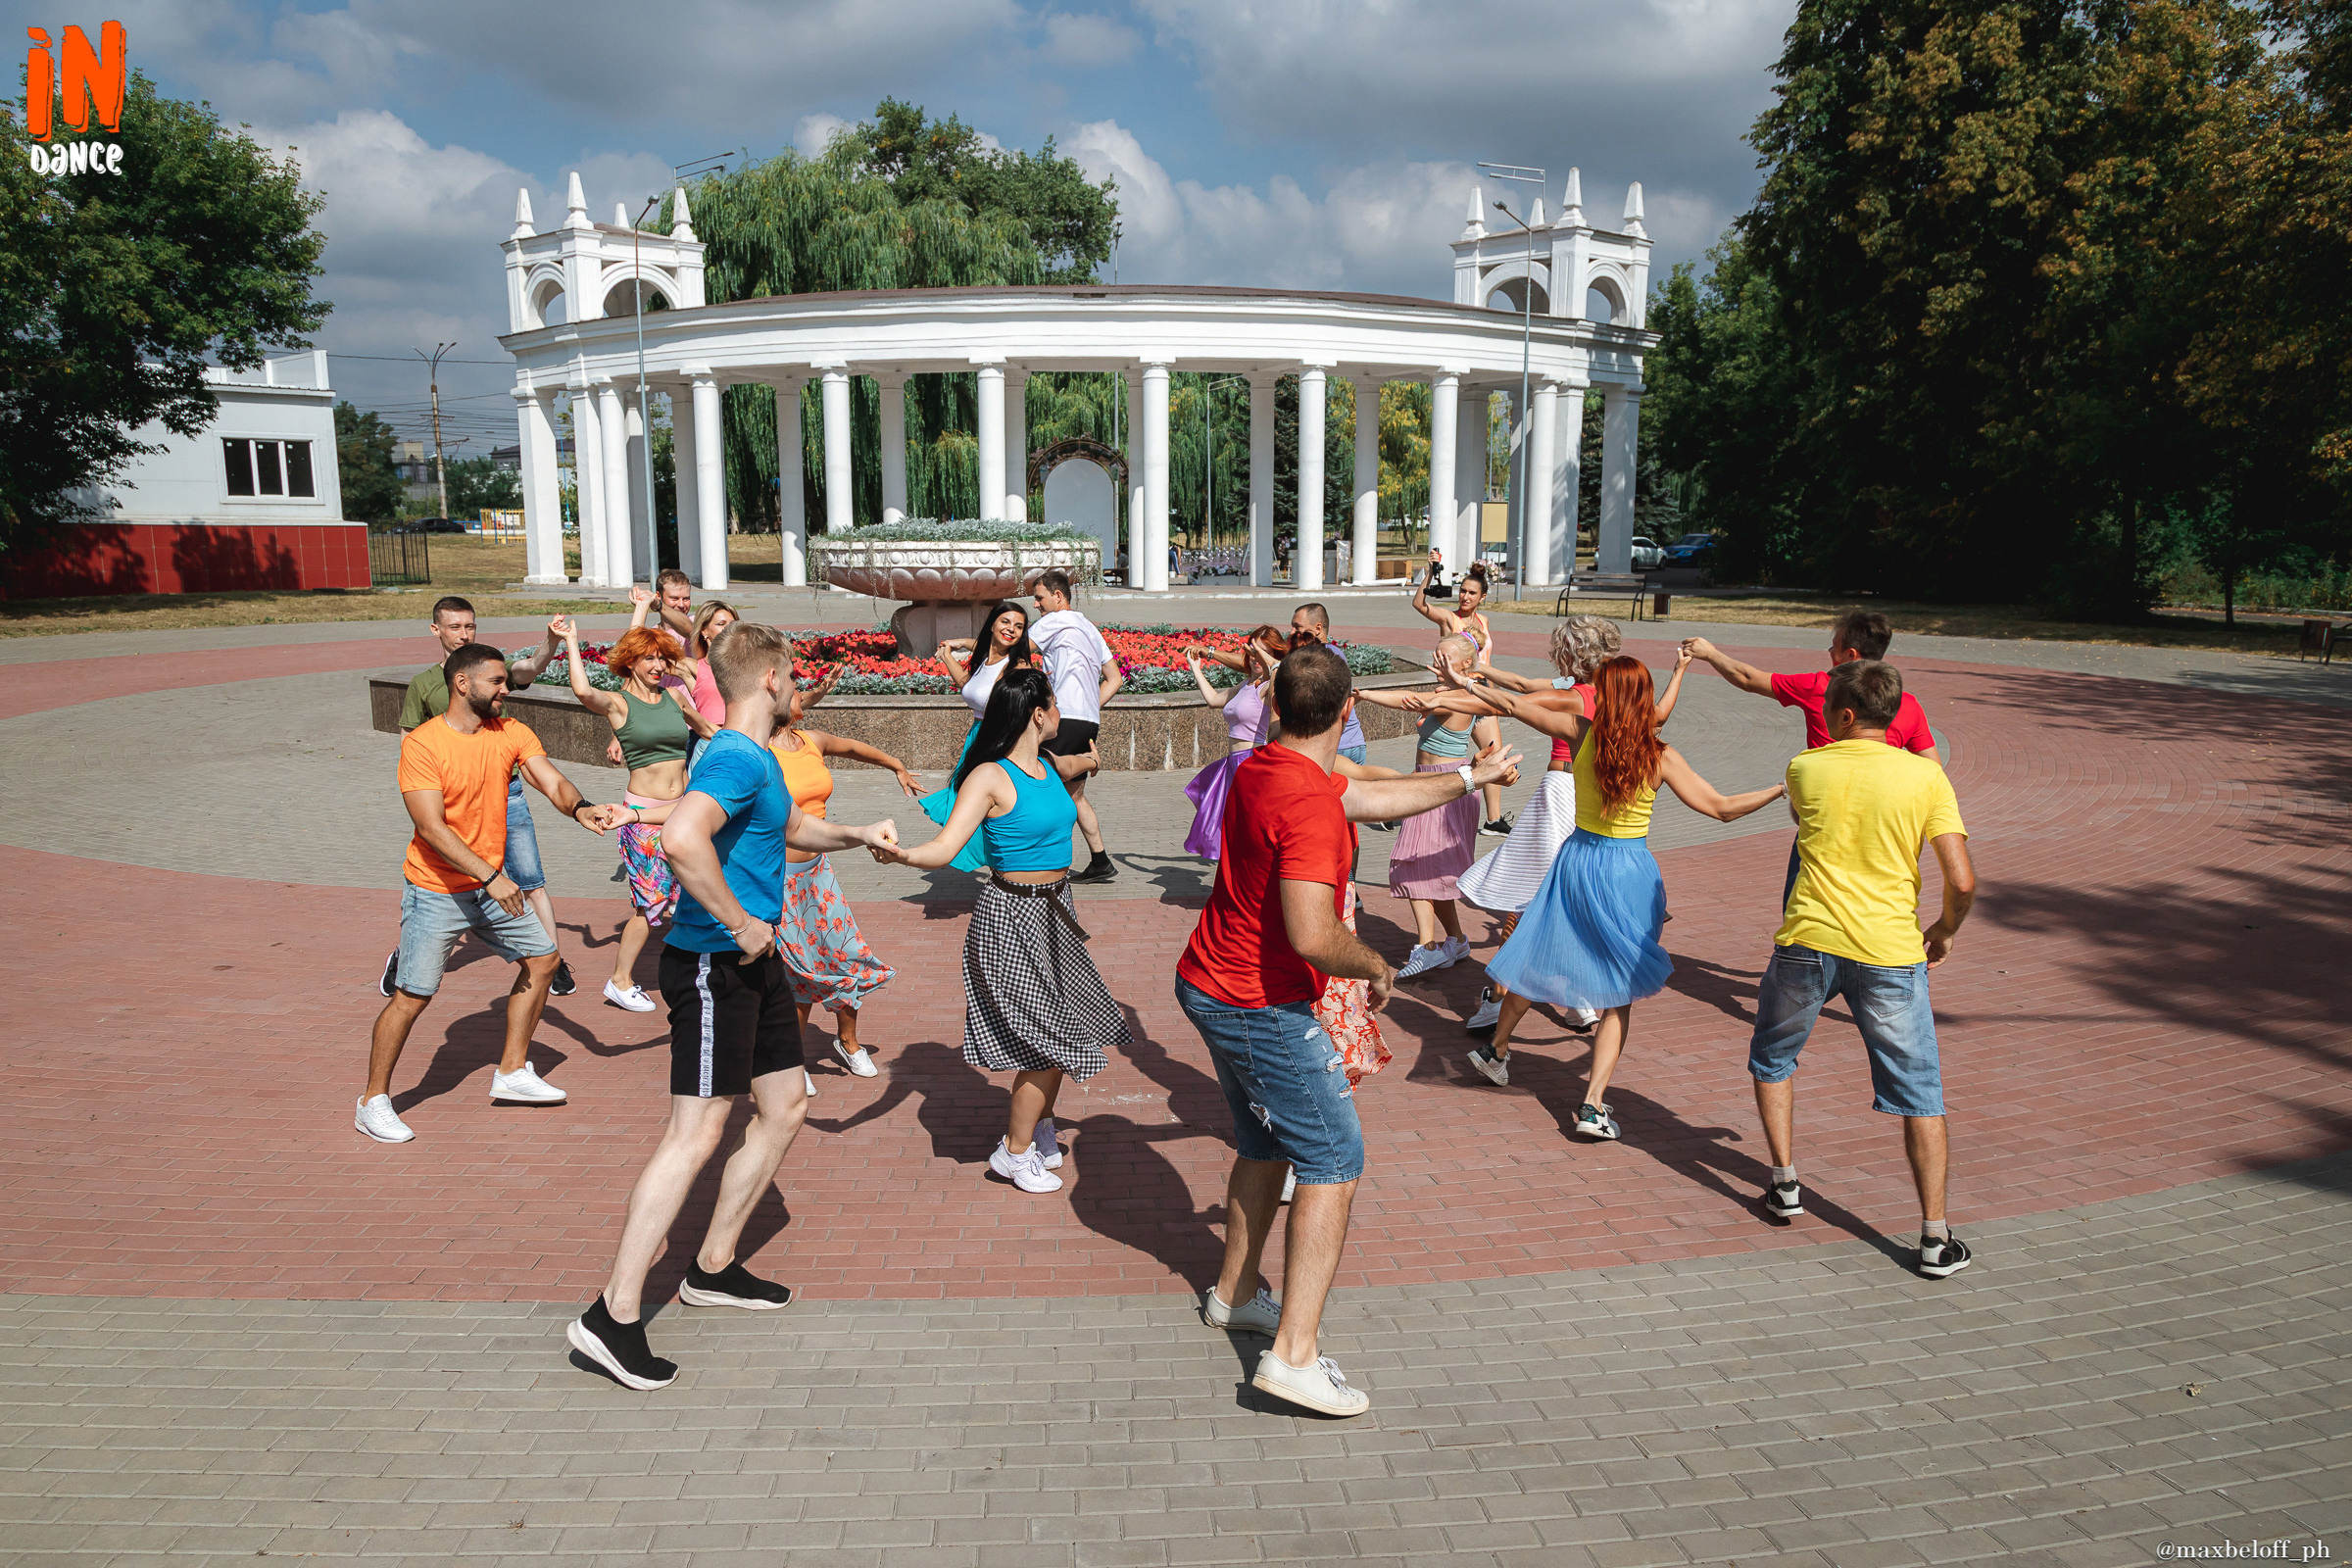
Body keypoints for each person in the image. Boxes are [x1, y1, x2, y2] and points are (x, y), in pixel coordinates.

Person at [1176, 645, 1521, 1417]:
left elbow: (1375, 798)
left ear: (1274, 707)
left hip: (1207, 983)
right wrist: (1375, 964)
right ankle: (1293, 1357)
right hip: (1258, 1003)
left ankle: (1235, 1295)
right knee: (1334, 1158)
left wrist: (1473, 778)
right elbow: (1310, 933)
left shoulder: (1267, 765)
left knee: (1265, 1142)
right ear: (1348, 709)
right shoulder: (1307, 803)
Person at [566, 622, 901, 1392]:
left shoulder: (751, 758)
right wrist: (743, 922)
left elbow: (787, 829)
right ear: (776, 679)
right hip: (717, 962)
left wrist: (854, 832)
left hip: (755, 964)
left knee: (784, 1106)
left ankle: (712, 1267)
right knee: (698, 1130)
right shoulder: (737, 755)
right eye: (795, 675)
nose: (797, 685)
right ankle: (611, 1318)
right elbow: (685, 837)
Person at [1452, 657, 1785, 1141]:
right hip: (1627, 872)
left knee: (1542, 952)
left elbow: (1511, 703)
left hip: (1577, 859)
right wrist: (1779, 790)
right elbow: (1722, 809)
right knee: (1617, 993)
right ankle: (1591, 1107)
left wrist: (1467, 681)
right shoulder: (1660, 756)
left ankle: (1496, 1050)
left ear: (1606, 696)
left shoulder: (1581, 732)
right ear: (1645, 700)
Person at [1746, 660, 1978, 1278]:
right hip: (1892, 951)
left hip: (1808, 941)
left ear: (1844, 715)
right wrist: (1945, 930)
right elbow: (1962, 878)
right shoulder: (1928, 779)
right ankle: (1934, 1237)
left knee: (1773, 1059)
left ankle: (1785, 1182)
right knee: (1920, 1095)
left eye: (1825, 710)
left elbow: (1809, 823)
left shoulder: (1804, 769)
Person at [360, 642, 622, 1145]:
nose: (507, 689)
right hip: (438, 889)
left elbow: (551, 781)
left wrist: (581, 807)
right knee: (413, 996)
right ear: (463, 684)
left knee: (543, 960)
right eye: (497, 682)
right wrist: (491, 876)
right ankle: (372, 1100)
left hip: (489, 887)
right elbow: (431, 827)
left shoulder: (511, 733)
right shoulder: (424, 745)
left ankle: (512, 1072)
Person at [877, 667, 1119, 1196]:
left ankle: (1039, 1128)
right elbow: (944, 847)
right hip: (1010, 919)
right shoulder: (990, 775)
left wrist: (1093, 761)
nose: (1062, 713)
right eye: (1055, 705)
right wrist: (901, 857)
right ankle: (1012, 1152)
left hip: (1057, 913)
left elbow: (1079, 764)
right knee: (1048, 1042)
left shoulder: (1050, 766)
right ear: (1038, 713)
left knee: (1066, 1029)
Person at [1446, 619, 1690, 1031]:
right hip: (1595, 803)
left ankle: (1500, 996)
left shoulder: (1575, 695)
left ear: (1572, 652)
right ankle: (1576, 998)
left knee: (1532, 899)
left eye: (1558, 648)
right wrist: (1680, 670)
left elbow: (1513, 700)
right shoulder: (1614, 693)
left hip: (1562, 794)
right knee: (1566, 901)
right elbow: (1659, 715)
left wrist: (1463, 685)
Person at [386, 598, 577, 999]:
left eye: (469, 626)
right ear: (436, 630)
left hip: (507, 793)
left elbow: (530, 668)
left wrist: (550, 642)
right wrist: (422, 800)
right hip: (451, 798)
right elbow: (410, 742)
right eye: (455, 627)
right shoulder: (424, 684)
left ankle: (552, 963)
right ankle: (406, 958)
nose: (464, 633)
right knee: (436, 896)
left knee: (530, 881)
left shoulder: (492, 669)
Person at [1680, 612, 1938, 906]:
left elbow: (1748, 678)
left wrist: (1711, 654)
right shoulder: (1909, 703)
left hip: (1821, 832)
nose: (1829, 652)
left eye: (1834, 646)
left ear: (1849, 654)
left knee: (1801, 910)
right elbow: (1932, 770)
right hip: (1880, 833)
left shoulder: (1821, 687)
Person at [557, 618, 717, 1013]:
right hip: (641, 817)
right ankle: (620, 981)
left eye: (663, 658)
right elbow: (581, 690)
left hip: (684, 811)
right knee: (651, 905)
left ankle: (701, 968)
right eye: (649, 658)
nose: (658, 666)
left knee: (696, 892)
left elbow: (711, 730)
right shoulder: (618, 704)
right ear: (630, 662)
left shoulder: (674, 698)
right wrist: (572, 640)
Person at [768, 686, 920, 1079]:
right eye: (794, 687)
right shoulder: (757, 752)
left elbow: (852, 747)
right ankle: (790, 1063)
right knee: (801, 973)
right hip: (776, 878)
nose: (800, 694)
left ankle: (848, 1042)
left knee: (845, 957)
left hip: (818, 875)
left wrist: (895, 764)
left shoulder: (810, 741)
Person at [1351, 634, 1500, 977]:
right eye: (1436, 655)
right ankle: (1457, 940)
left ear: (1465, 664)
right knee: (1432, 870)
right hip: (1430, 782)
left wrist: (1366, 693)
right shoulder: (1449, 694)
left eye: (1445, 657)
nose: (1436, 662)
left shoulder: (1460, 696)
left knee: (1415, 863)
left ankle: (1427, 947)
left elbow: (1410, 700)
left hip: (1444, 787)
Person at [920, 600, 1038, 875]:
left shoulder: (1017, 666)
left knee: (987, 807)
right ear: (993, 623)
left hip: (999, 742)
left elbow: (1031, 705)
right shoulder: (987, 658)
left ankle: (1010, 866)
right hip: (977, 738)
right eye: (1006, 622)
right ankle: (1002, 866)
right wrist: (949, 656)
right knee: (973, 805)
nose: (1011, 630)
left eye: (1019, 627)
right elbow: (970, 687)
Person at [1028, 570, 1123, 883]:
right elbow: (1115, 678)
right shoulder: (1089, 627)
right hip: (1087, 721)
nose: (1036, 605)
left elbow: (1017, 647)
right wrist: (1089, 706)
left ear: (1058, 596)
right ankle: (1100, 861)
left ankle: (1043, 861)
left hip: (1063, 719)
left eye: (1040, 598)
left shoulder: (1053, 621)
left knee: (1044, 787)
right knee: (1074, 794)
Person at [1412, 551, 1507, 834]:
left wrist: (1494, 688)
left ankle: (1494, 820)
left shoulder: (1484, 622)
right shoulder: (1448, 619)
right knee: (1435, 757)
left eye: (1471, 593)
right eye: (1463, 591)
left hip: (1481, 694)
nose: (1465, 597)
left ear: (1482, 597)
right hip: (1455, 698)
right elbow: (1419, 603)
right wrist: (1429, 571)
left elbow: (1486, 660)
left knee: (1494, 754)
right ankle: (1404, 807)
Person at [1178, 626, 1289, 860]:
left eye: (1263, 652)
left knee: (1245, 832)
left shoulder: (1269, 687)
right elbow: (1214, 700)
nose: (1255, 658)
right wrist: (1196, 669)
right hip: (1233, 765)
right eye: (1252, 651)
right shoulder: (1249, 683)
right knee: (1226, 831)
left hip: (1251, 763)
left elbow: (1280, 680)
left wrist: (1274, 666)